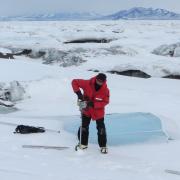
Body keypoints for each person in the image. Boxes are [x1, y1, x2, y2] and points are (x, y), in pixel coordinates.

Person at [71, 73, 110, 154]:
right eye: (98, 80)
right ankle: (83, 144)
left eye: (101, 81)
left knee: (101, 128)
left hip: (98, 111)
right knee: (84, 126)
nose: (99, 82)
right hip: (86, 110)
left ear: (104, 82)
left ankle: (103, 146)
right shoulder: (88, 83)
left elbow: (106, 101)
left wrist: (94, 104)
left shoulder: (105, 90)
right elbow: (74, 82)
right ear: (96, 79)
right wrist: (79, 94)